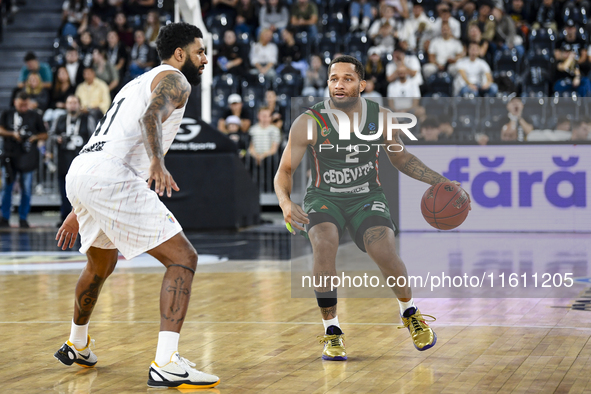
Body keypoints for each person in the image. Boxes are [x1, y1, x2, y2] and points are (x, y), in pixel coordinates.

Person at [52, 22, 220, 389]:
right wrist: (157, 162)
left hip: (83, 170)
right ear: (180, 55)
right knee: (183, 258)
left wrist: (79, 208)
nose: (204, 59)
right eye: (199, 52)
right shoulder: (177, 80)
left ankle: (76, 343)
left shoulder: (134, 83)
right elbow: (150, 118)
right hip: (109, 176)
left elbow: (114, 141)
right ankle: (167, 362)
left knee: (101, 261)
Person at [274, 55, 468, 360]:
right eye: (333, 79)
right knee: (324, 244)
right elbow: (284, 170)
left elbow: (401, 158)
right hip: (324, 197)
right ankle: (332, 332)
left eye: (347, 79)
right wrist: (285, 202)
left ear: (362, 85)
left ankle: (409, 313)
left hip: (366, 196)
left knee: (384, 251)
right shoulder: (309, 122)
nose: (338, 85)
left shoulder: (382, 117)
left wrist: (442, 182)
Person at [0, 92, 48, 228]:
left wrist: (34, 137)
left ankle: (23, 217)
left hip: (28, 157)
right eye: (21, 104)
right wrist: (12, 134)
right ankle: (4, 217)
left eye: (26, 105)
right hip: (9, 156)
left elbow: (45, 134)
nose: (23, 107)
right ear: (15, 102)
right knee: (7, 188)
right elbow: (0, 129)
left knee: (26, 189)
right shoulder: (8, 113)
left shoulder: (35, 115)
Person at [49, 95, 95, 223]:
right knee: (64, 191)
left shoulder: (87, 119)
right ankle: (64, 218)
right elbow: (51, 135)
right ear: (66, 105)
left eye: (75, 102)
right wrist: (57, 139)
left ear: (79, 104)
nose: (72, 105)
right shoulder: (60, 119)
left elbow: (94, 136)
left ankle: (83, 218)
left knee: (82, 192)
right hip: (64, 160)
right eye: (70, 102)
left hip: (82, 161)